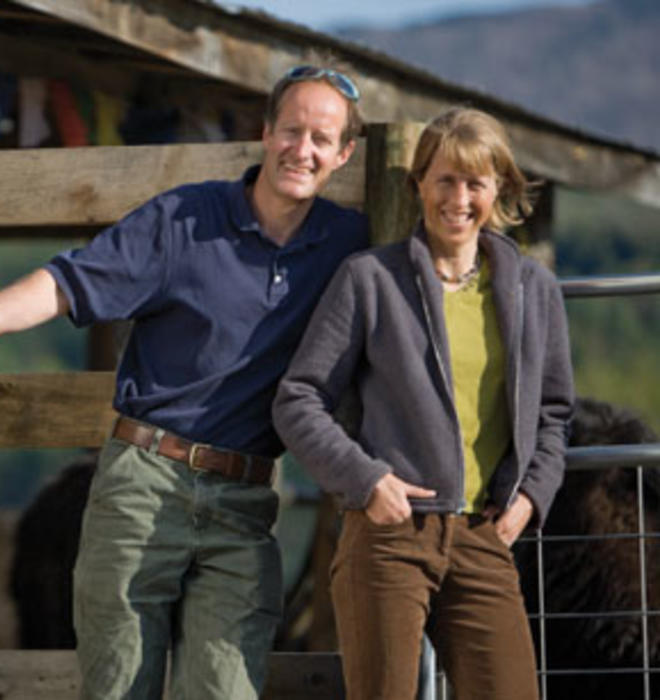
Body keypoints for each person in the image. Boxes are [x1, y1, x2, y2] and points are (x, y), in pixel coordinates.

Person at [0, 63, 368, 699]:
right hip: (144, 482)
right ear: (265, 133)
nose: (301, 150)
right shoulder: (184, 220)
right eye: (291, 130)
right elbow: (68, 283)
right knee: (119, 687)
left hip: (245, 501)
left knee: (227, 690)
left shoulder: (348, 244)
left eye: (319, 138)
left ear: (344, 154)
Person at [273, 107, 575, 700]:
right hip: (389, 534)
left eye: (475, 182)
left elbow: (554, 415)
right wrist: (367, 480)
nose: (458, 198)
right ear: (418, 185)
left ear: (499, 191)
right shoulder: (368, 279)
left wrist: (531, 498)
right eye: (444, 179)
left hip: (486, 535)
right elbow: (298, 400)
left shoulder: (533, 289)